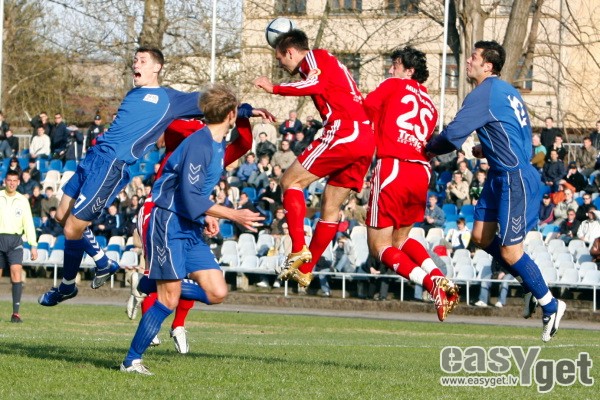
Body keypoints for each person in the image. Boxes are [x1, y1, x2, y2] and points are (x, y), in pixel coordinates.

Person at [38, 46, 272, 307]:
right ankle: (103, 262)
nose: (136, 64)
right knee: (62, 215)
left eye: (142, 60)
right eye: (135, 60)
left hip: (111, 165)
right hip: (92, 158)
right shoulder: (133, 93)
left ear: (157, 67)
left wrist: (247, 110)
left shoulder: (169, 99)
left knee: (72, 227)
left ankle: (67, 286)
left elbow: (213, 103)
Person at [120, 83, 264, 375]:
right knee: (169, 298)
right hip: (168, 221)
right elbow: (190, 198)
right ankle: (131, 361)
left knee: (217, 292)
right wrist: (231, 214)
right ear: (230, 114)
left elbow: (197, 196)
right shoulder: (200, 144)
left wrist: (207, 215)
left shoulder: (216, 142)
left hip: (189, 225)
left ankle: (148, 283)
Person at [426, 40, 566, 341]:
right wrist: (487, 148)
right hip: (500, 174)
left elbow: (452, 134)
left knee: (510, 251)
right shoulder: (507, 90)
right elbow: (517, 132)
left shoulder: (484, 92)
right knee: (480, 237)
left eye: (473, 57)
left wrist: (428, 149)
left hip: (514, 178)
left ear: (487, 65)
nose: (467, 61)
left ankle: (551, 304)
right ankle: (530, 285)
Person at [253, 29, 375, 289]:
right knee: (330, 208)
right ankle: (306, 270)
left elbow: (314, 85)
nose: (280, 65)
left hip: (345, 130)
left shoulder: (314, 59)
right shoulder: (324, 61)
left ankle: (298, 249)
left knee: (290, 182)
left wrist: (274, 88)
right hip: (364, 136)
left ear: (290, 52)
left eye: (279, 59)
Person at [362, 46, 457, 321]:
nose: (391, 69)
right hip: (420, 171)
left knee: (378, 246)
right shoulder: (430, 104)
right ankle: (439, 277)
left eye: (396, 65)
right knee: (401, 239)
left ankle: (431, 285)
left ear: (409, 70)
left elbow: (366, 109)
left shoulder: (394, 85)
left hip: (394, 166)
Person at [0, 170, 39, 322]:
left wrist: (33, 245)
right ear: (5, 181)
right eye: (9, 180)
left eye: (14, 180)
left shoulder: (22, 200)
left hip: (15, 241)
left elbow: (28, 223)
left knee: (16, 273)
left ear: (18, 182)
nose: (11, 183)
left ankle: (15, 313)